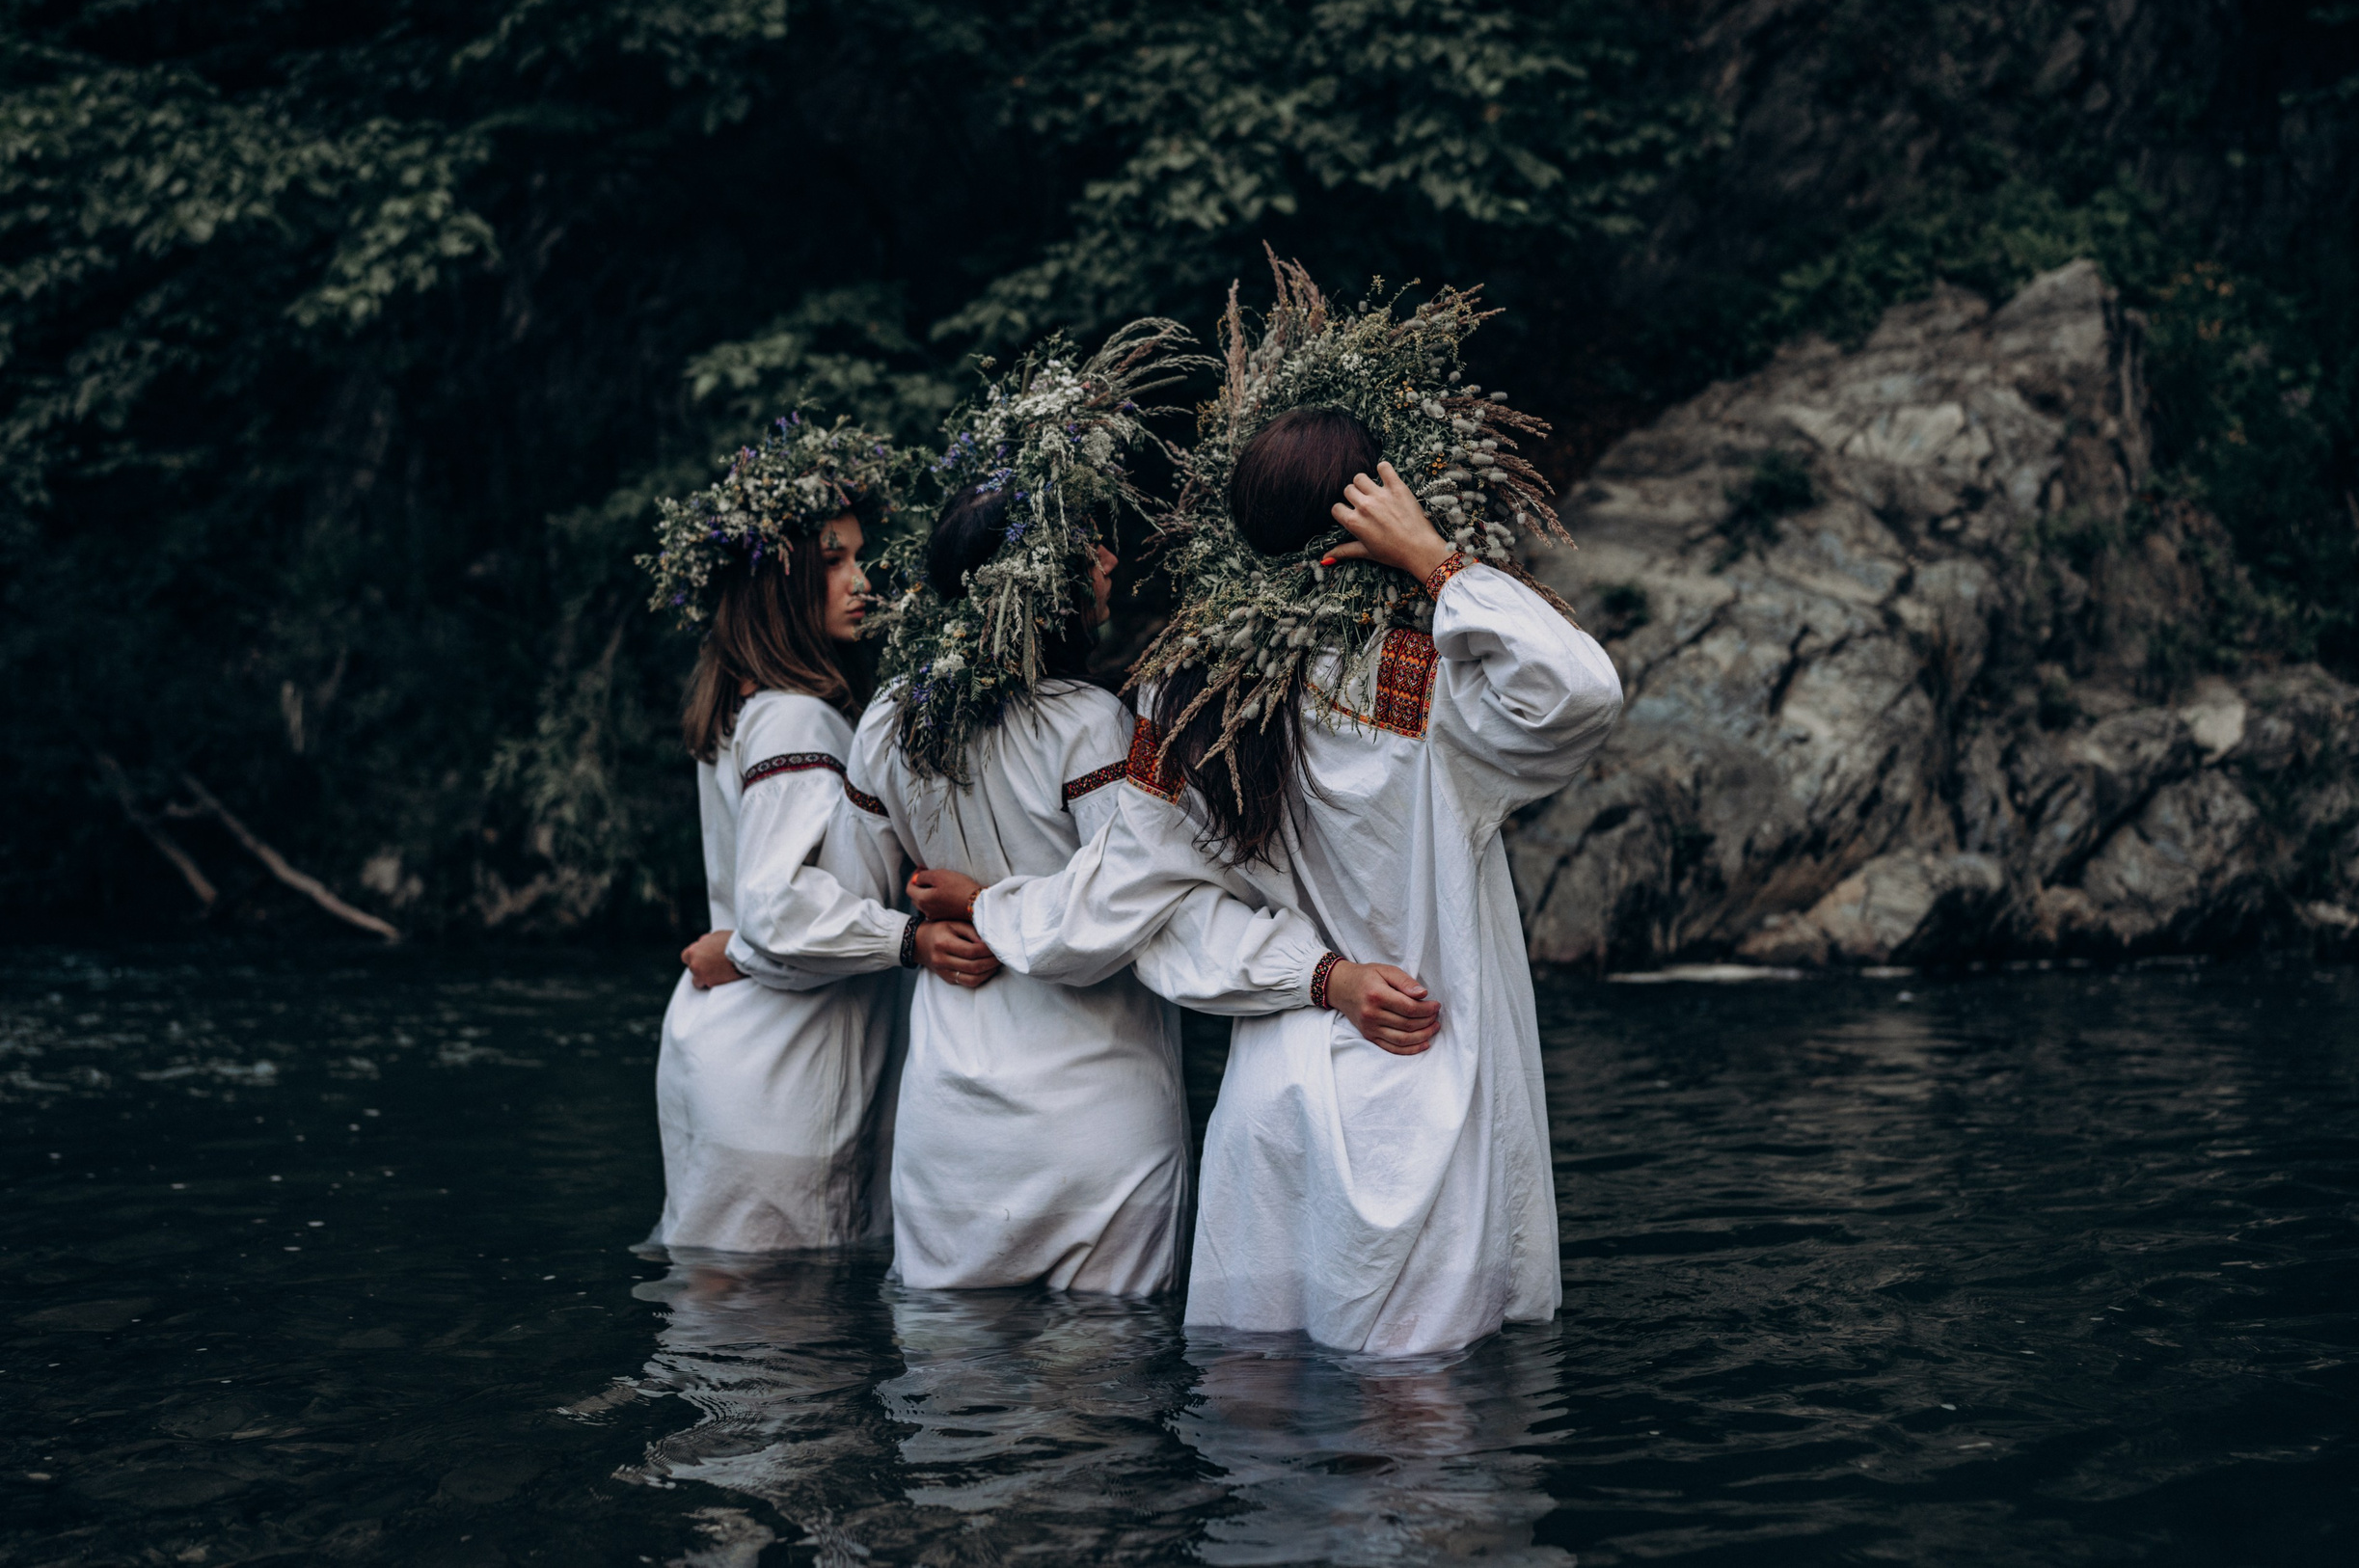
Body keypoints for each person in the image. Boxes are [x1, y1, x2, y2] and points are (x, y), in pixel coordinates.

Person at [917, 273, 1621, 1354]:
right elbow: (1582, 690)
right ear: (1367, 525)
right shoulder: (1431, 689)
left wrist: (1315, 978)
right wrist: (1438, 561)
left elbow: (1144, 914)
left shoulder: (1180, 702)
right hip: (1418, 1099)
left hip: (1271, 1114)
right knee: (1421, 1477)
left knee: (1257, 1470)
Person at [762, 327, 1433, 1297]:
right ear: (1032, 590)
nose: (1112, 560)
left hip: (950, 1123)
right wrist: (1320, 970)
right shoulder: (1090, 725)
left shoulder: (883, 726)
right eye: (1088, 548)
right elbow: (1137, 901)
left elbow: (834, 904)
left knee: (954, 1417)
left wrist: (919, 933)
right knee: (1098, 1411)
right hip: (1094, 1115)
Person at [635, 419, 984, 1255]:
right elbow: (777, 908)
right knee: (783, 1355)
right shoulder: (797, 716)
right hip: (782, 1066)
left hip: (733, 1043)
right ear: (777, 585)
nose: (861, 581)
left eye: (858, 557)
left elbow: (755, 915)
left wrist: (739, 949)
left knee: (724, 1337)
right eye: (833, 562)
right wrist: (914, 939)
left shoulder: (746, 707)